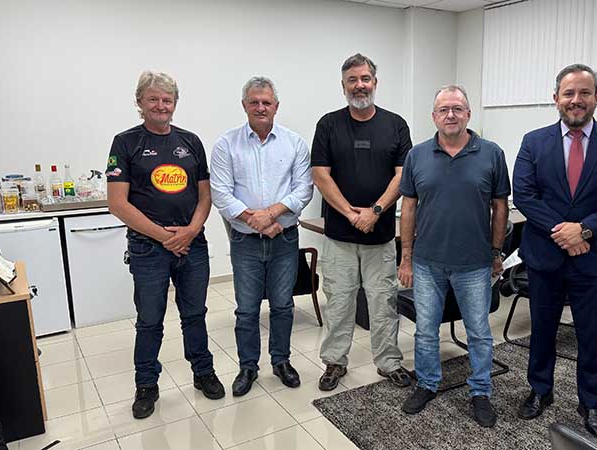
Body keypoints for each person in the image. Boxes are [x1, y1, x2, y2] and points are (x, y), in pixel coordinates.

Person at [512, 64, 597, 438]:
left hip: (593, 256)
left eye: (584, 92)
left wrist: (583, 230)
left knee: (591, 333)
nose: (576, 100)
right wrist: (564, 233)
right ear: (556, 98)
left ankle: (591, 402)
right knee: (542, 329)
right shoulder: (534, 141)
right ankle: (540, 390)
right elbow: (525, 195)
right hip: (545, 255)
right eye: (569, 93)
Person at [107, 71, 224, 420]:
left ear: (175, 103)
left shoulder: (191, 141)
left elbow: (205, 196)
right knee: (149, 320)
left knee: (195, 314)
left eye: (167, 100)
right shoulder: (125, 143)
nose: (161, 105)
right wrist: (166, 237)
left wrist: (190, 231)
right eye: (153, 99)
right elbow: (117, 203)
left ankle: (203, 372)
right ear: (139, 102)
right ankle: (146, 385)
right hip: (148, 249)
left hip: (192, 246)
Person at [398, 85, 510, 428]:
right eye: (444, 109)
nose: (451, 115)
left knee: (479, 332)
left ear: (468, 114)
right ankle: (427, 383)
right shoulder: (417, 155)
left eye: (457, 109)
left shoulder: (491, 153)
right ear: (434, 116)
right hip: (427, 263)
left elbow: (500, 207)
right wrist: (406, 256)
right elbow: (408, 208)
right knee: (425, 331)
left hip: (474, 263)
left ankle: (480, 391)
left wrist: (496, 252)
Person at [312, 53, 412, 391]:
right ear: (343, 86)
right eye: (352, 80)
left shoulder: (395, 125)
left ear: (375, 83)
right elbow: (320, 175)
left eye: (365, 79)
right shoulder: (328, 125)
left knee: (383, 303)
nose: (359, 85)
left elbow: (403, 175)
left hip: (380, 236)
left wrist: (375, 211)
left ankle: (389, 362)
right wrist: (351, 214)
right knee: (339, 303)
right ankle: (334, 362)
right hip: (339, 236)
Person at [210, 76, 313, 395]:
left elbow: (304, 189)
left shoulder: (294, 143)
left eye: (266, 102)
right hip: (245, 241)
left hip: (284, 239)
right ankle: (248, 367)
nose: (260, 107)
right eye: (254, 102)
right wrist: (256, 220)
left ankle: (281, 361)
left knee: (282, 305)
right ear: (244, 105)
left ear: (276, 106)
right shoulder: (227, 144)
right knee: (247, 309)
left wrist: (271, 214)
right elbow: (221, 193)